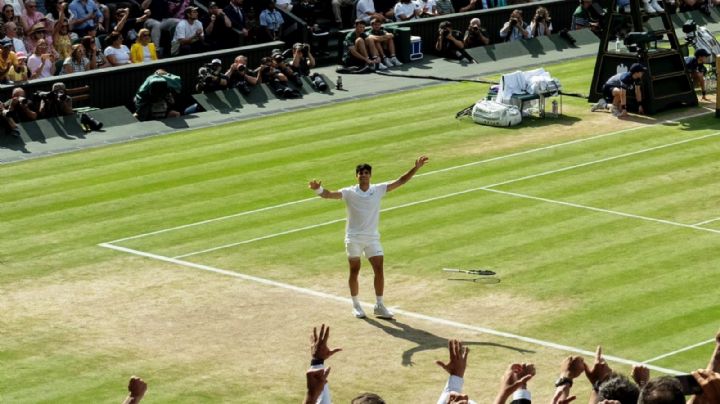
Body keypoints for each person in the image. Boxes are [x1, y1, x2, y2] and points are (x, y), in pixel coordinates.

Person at [308, 156, 429, 319]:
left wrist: (416, 168)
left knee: (379, 269)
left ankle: (379, 305)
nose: (363, 175)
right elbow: (329, 194)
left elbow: (401, 181)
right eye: (360, 173)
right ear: (356, 176)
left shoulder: (378, 189)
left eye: (366, 173)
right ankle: (356, 305)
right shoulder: (349, 192)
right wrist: (318, 189)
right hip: (354, 238)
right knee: (354, 270)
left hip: (372, 238)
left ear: (370, 175)